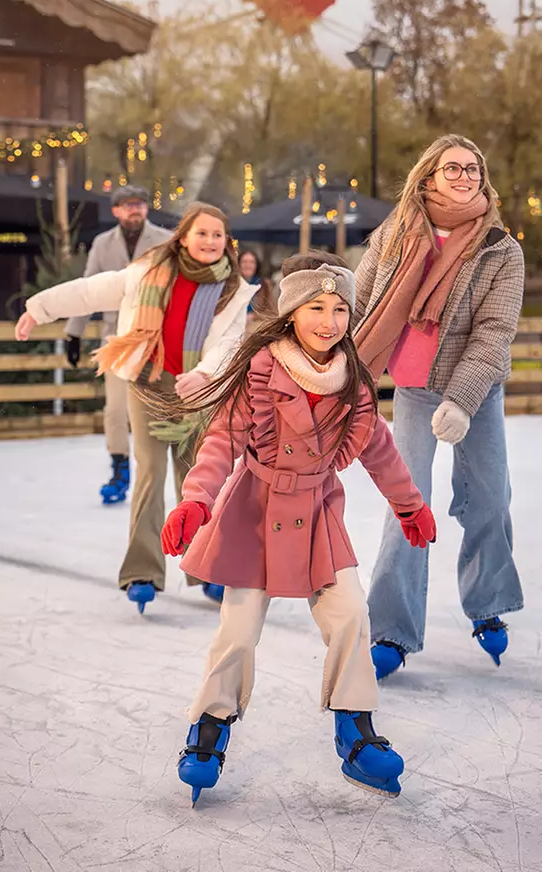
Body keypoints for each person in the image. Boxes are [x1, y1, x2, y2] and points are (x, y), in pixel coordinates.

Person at [156, 252, 437, 802]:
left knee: (352, 614)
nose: (328, 321)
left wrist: (410, 505)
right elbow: (220, 442)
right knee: (237, 630)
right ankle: (209, 726)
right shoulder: (260, 371)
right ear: (291, 313)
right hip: (254, 512)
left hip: (316, 514)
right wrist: (196, 500)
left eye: (338, 309)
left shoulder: (351, 382)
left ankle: (354, 730)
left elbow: (380, 448)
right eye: (315, 307)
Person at [16, 204, 252, 611]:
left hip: (198, 390)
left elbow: (231, 343)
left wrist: (205, 374)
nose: (210, 242)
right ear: (183, 237)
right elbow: (90, 290)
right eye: (202, 233)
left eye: (218, 235)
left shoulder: (233, 290)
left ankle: (207, 568)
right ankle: (142, 571)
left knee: (197, 479)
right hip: (147, 382)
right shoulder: (147, 271)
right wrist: (39, 308)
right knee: (150, 470)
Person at [352, 134, 526, 681]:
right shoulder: (395, 234)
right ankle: (390, 629)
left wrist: (462, 399)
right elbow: (361, 299)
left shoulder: (501, 248)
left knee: (489, 496)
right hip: (413, 387)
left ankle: (488, 602)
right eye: (453, 167)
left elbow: (494, 333)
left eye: (473, 168)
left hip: (475, 391)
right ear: (428, 176)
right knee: (408, 503)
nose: (464, 175)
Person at [64, 186, 172, 504]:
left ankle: (154, 471)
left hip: (156, 338)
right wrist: (74, 332)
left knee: (155, 408)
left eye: (138, 204)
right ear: (115, 211)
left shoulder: (164, 241)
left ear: (146, 208)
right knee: (115, 409)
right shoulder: (102, 244)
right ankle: (119, 468)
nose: (133, 211)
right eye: (127, 206)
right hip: (116, 339)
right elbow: (87, 290)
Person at [236, 247, 276, 314]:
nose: (248, 265)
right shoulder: (232, 284)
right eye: (244, 262)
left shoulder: (264, 285)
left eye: (252, 262)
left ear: (257, 265)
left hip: (256, 323)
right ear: (238, 264)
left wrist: (253, 317)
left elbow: (272, 311)